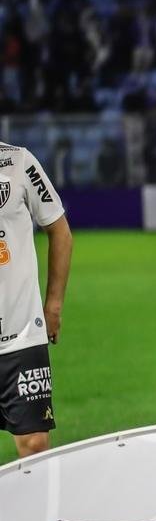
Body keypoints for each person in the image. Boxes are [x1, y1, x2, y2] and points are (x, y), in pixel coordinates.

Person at [0, 142, 72, 457]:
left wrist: (53, 305)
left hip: (22, 333)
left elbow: (59, 230)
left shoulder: (18, 161)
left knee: (35, 445)